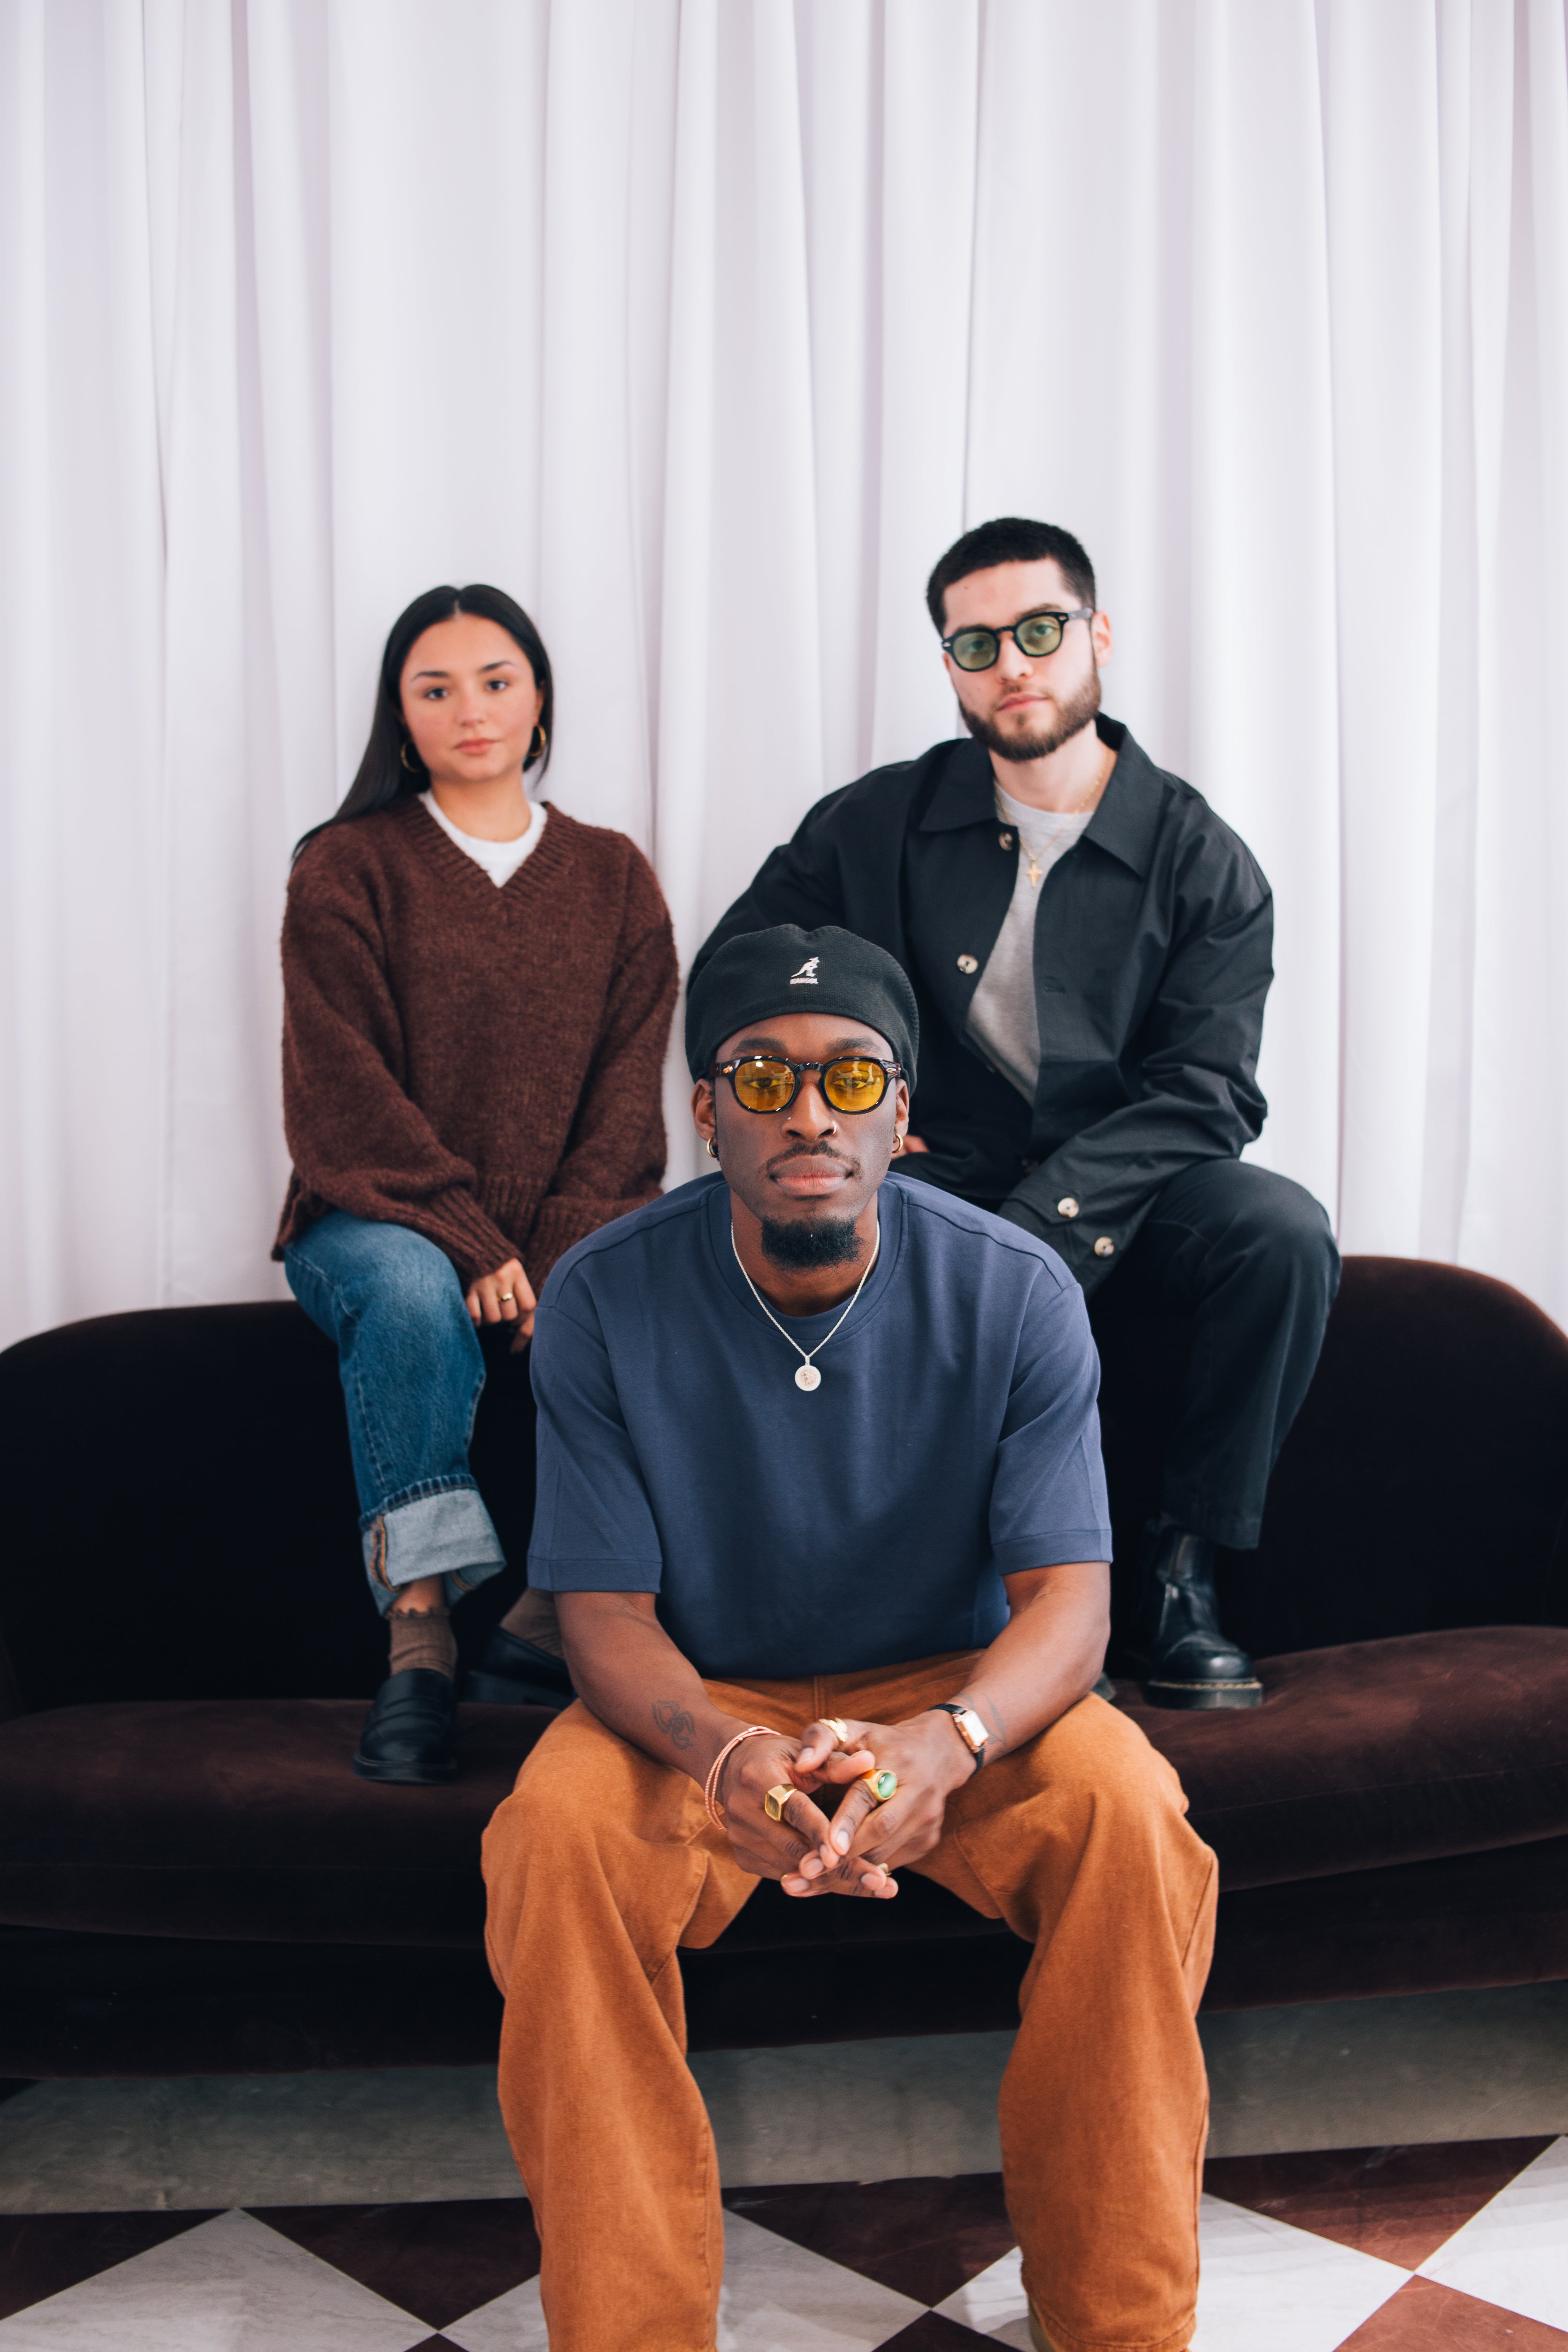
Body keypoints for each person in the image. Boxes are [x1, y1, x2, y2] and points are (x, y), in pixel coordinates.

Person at [482, 923, 1216, 2352]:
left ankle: (1120, 2330)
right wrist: (728, 1754)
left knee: (1131, 1814)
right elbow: (604, 1619)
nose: (808, 1114)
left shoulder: (1016, 1289)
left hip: (957, 1695)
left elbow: (1072, 1603)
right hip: (702, 1699)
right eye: (761, 1079)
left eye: (849, 1078)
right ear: (706, 1112)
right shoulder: (603, 1295)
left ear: (903, 1114)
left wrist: (951, 1740)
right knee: (552, 1840)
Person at [691, 517, 1340, 1710]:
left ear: (1098, 635)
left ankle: (1181, 1579)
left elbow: (1207, 1094)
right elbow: (741, 970)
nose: (1014, 664)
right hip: (941, 1168)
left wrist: (1047, 1225)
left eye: (1040, 630)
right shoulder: (876, 823)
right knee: (806, 1220)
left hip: (1135, 1189)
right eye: (977, 643)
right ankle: (879, 1597)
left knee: (1283, 1234)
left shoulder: (1203, 858)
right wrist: (845, 1106)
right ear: (949, 664)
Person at [275, 583, 677, 1783]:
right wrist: (466, 1240)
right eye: (436, 688)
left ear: (539, 698)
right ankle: (422, 1641)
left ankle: (548, 1622)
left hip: (560, 1228)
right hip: (374, 1216)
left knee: (673, 1290)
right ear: (400, 719)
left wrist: (556, 1255)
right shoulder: (347, 867)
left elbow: (628, 1091)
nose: (471, 709)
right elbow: (340, 1094)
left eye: (497, 681)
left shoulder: (613, 875)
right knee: (409, 1290)